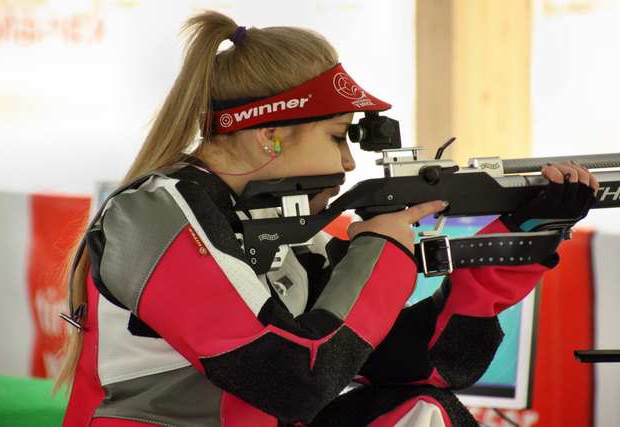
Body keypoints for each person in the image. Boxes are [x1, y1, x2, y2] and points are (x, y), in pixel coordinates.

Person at [55, 10, 598, 427]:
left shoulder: (274, 227)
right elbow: (294, 378)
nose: (347, 162)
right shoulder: (153, 216)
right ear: (270, 133)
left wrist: (522, 237)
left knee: (423, 408)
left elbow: (426, 362)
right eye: (338, 137)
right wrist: (380, 252)